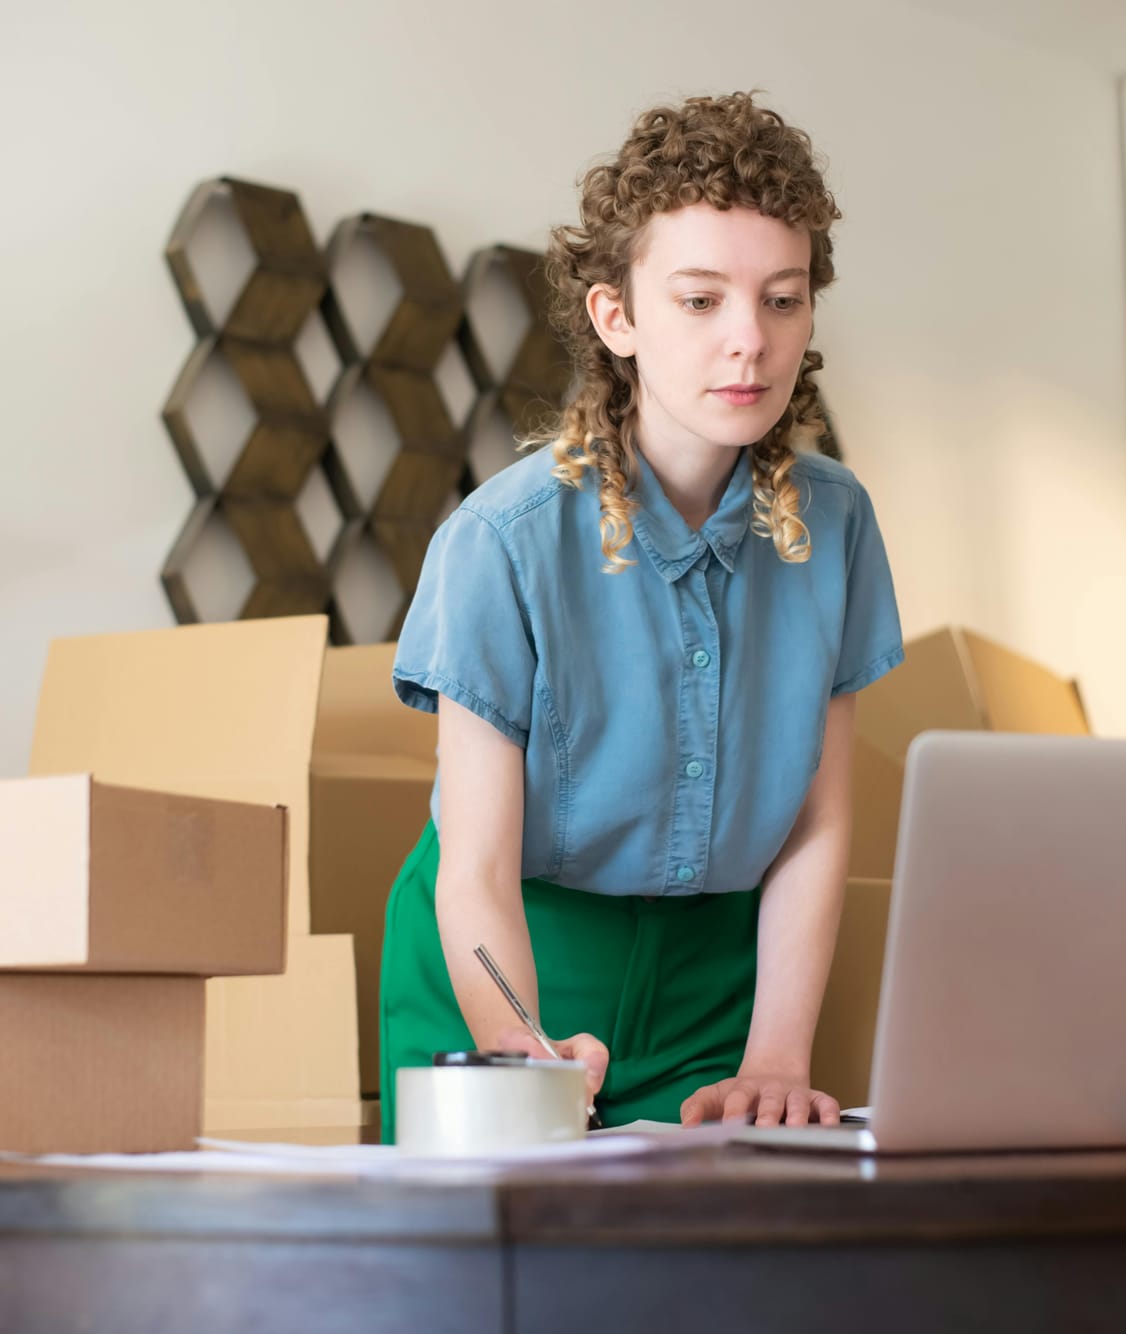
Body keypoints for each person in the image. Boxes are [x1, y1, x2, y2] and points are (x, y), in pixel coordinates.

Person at [379, 90, 903, 1140]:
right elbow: (476, 869)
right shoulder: (501, 544)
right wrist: (518, 1048)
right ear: (615, 316)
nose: (748, 342)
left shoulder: (836, 523)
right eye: (700, 301)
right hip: (505, 956)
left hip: (717, 980)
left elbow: (815, 824)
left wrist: (777, 1054)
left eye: (783, 299)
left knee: (709, 1279)